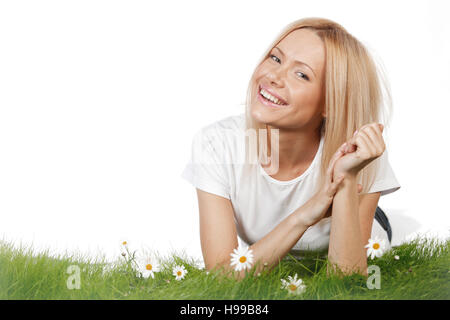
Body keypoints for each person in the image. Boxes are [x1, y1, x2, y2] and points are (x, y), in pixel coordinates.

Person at [181, 17, 401, 278]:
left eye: (301, 74)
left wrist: (347, 178)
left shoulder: (357, 154)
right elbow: (222, 276)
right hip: (277, 246)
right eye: (275, 58)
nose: (273, 76)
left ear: (330, 103)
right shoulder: (217, 145)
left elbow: (346, 281)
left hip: (361, 231)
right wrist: (306, 214)